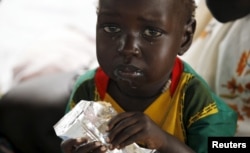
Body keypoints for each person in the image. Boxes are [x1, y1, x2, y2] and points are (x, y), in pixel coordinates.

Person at [60, 0, 237, 153]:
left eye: (152, 32)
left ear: (184, 37)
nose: (128, 48)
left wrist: (163, 142)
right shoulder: (88, 90)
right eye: (111, 28)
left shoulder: (198, 102)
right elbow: (71, 139)